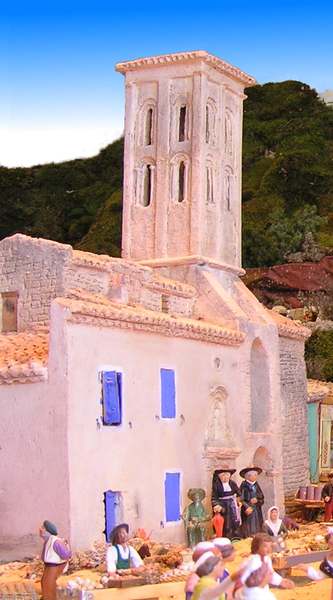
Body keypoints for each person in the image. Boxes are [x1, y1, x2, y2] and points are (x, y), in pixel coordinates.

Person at [235, 533, 294, 599]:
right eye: (265, 546)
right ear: (256, 547)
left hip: (263, 591)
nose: (269, 549)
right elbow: (240, 578)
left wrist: (281, 581)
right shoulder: (250, 562)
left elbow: (270, 574)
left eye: (270, 546)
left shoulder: (266, 559)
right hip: (250, 594)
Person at [40, 520, 72, 600]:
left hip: (53, 567)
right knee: (45, 583)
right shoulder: (48, 541)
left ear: (48, 531)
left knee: (49, 584)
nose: (40, 529)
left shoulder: (56, 542)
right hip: (48, 566)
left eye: (43, 528)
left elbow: (66, 555)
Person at [211, 469, 241, 540]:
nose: (225, 477)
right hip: (223, 506)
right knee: (225, 524)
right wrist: (216, 505)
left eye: (227, 475)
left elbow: (239, 494)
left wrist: (238, 500)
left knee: (234, 522)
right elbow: (214, 497)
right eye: (223, 475)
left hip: (232, 505)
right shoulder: (216, 485)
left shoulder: (232, 483)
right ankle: (225, 538)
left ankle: (234, 537)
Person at [239, 467, 264, 537]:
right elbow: (240, 499)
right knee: (249, 525)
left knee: (257, 523)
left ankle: (258, 536)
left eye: (256, 475)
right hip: (248, 509)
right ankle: (249, 536)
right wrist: (246, 507)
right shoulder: (244, 486)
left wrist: (258, 500)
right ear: (247, 476)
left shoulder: (256, 485)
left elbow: (262, 497)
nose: (254, 477)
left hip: (256, 508)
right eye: (252, 475)